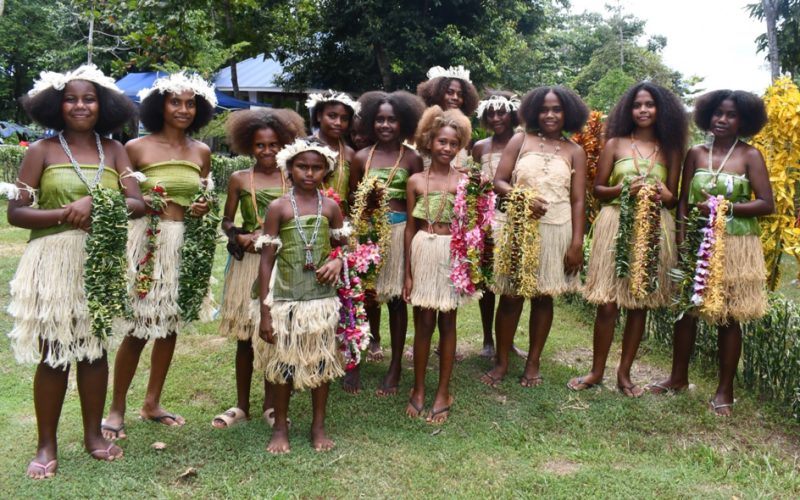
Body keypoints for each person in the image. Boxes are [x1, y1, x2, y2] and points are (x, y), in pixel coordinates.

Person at [7, 64, 145, 478]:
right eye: (71, 98)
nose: (80, 106)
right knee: (54, 352)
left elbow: (137, 203)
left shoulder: (116, 150)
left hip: (99, 259)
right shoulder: (41, 151)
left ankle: (92, 435)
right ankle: (46, 444)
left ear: (103, 105)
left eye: (89, 99)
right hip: (52, 262)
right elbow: (17, 213)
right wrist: (67, 214)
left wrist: (96, 205)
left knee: (95, 348)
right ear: (56, 104)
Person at [103, 73, 217, 439]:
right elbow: (123, 200)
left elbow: (202, 197)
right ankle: (116, 407)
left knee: (169, 326)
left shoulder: (202, 152)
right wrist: (145, 204)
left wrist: (201, 206)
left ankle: (152, 402)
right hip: (148, 243)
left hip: (182, 244)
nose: (183, 109)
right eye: (175, 102)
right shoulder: (135, 148)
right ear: (159, 106)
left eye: (190, 103)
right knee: (139, 327)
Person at [646, 90, 773, 416]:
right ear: (707, 115)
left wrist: (722, 206)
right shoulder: (696, 154)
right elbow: (684, 202)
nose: (722, 119)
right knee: (687, 311)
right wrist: (680, 240)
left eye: (731, 115)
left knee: (727, 315)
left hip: (736, 245)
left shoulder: (750, 156)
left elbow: (765, 203)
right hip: (696, 241)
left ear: (743, 120)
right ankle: (677, 378)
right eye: (717, 113)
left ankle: (724, 391)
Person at [568, 82, 687, 397]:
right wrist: (626, 189)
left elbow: (674, 198)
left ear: (661, 109)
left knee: (639, 304)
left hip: (653, 227)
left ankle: (624, 374)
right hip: (615, 223)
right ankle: (596, 371)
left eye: (650, 104)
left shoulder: (672, 148)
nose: (644, 110)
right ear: (629, 110)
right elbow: (598, 189)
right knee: (607, 305)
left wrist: (664, 193)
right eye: (638, 105)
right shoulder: (615, 144)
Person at [481, 86, 588, 388]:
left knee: (543, 297)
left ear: (568, 113)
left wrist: (577, 242)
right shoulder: (520, 139)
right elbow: (499, 182)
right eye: (544, 109)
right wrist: (521, 197)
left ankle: (533, 363)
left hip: (557, 230)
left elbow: (579, 200)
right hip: (517, 228)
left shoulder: (574, 151)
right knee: (511, 296)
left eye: (556, 109)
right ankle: (501, 362)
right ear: (532, 112)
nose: (550, 115)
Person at [211, 108, 305, 428]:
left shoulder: (292, 178)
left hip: (284, 265)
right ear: (248, 146)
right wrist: (240, 234)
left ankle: (271, 404)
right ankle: (240, 405)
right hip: (249, 265)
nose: (267, 151)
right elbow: (226, 222)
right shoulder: (240, 179)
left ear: (285, 145)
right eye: (260, 145)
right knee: (245, 337)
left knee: (275, 334)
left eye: (274, 145)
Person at [254, 138, 349, 453]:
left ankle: (318, 426)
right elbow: (266, 260)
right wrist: (266, 311)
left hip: (321, 302)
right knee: (284, 365)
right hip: (286, 300)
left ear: (326, 170)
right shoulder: (278, 207)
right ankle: (280, 427)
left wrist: (337, 260)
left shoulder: (331, 207)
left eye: (316, 167)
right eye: (302, 166)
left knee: (321, 364)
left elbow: (343, 246)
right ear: (289, 168)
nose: (309, 173)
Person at [345, 90, 424, 395]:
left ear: (403, 122)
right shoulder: (361, 157)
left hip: (400, 231)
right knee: (361, 299)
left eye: (392, 120)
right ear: (370, 122)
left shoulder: (413, 158)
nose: (386, 125)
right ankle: (355, 361)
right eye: (380, 119)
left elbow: (418, 201)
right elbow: (353, 197)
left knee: (395, 301)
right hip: (366, 234)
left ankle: (394, 367)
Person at [404, 106, 472, 423]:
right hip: (423, 249)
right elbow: (408, 228)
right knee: (423, 323)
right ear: (430, 142)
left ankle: (443, 390)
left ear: (460, 147)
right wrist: (407, 272)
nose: (446, 148)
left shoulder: (466, 182)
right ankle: (418, 388)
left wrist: (468, 263)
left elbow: (471, 226)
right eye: (441, 142)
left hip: (451, 253)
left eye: (453, 144)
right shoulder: (416, 181)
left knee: (447, 322)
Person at [471, 91, 527, 360]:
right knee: (487, 282)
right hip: (486, 220)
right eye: (490, 113)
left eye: (501, 112)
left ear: (513, 113)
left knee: (513, 282)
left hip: (517, 218)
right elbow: (474, 183)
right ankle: (487, 340)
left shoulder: (526, 144)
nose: (496, 117)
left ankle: (509, 339)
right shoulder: (480, 147)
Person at [416, 65, 479, 171]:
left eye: (460, 94)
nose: (455, 98)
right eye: (449, 92)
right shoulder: (424, 123)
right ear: (437, 93)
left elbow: (468, 161)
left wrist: (468, 171)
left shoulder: (464, 127)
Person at [306, 90, 359, 214]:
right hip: (308, 219)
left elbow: (352, 194)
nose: (338, 123)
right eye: (332, 116)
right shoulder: (303, 147)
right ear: (319, 116)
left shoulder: (350, 153)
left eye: (344, 118)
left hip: (341, 222)